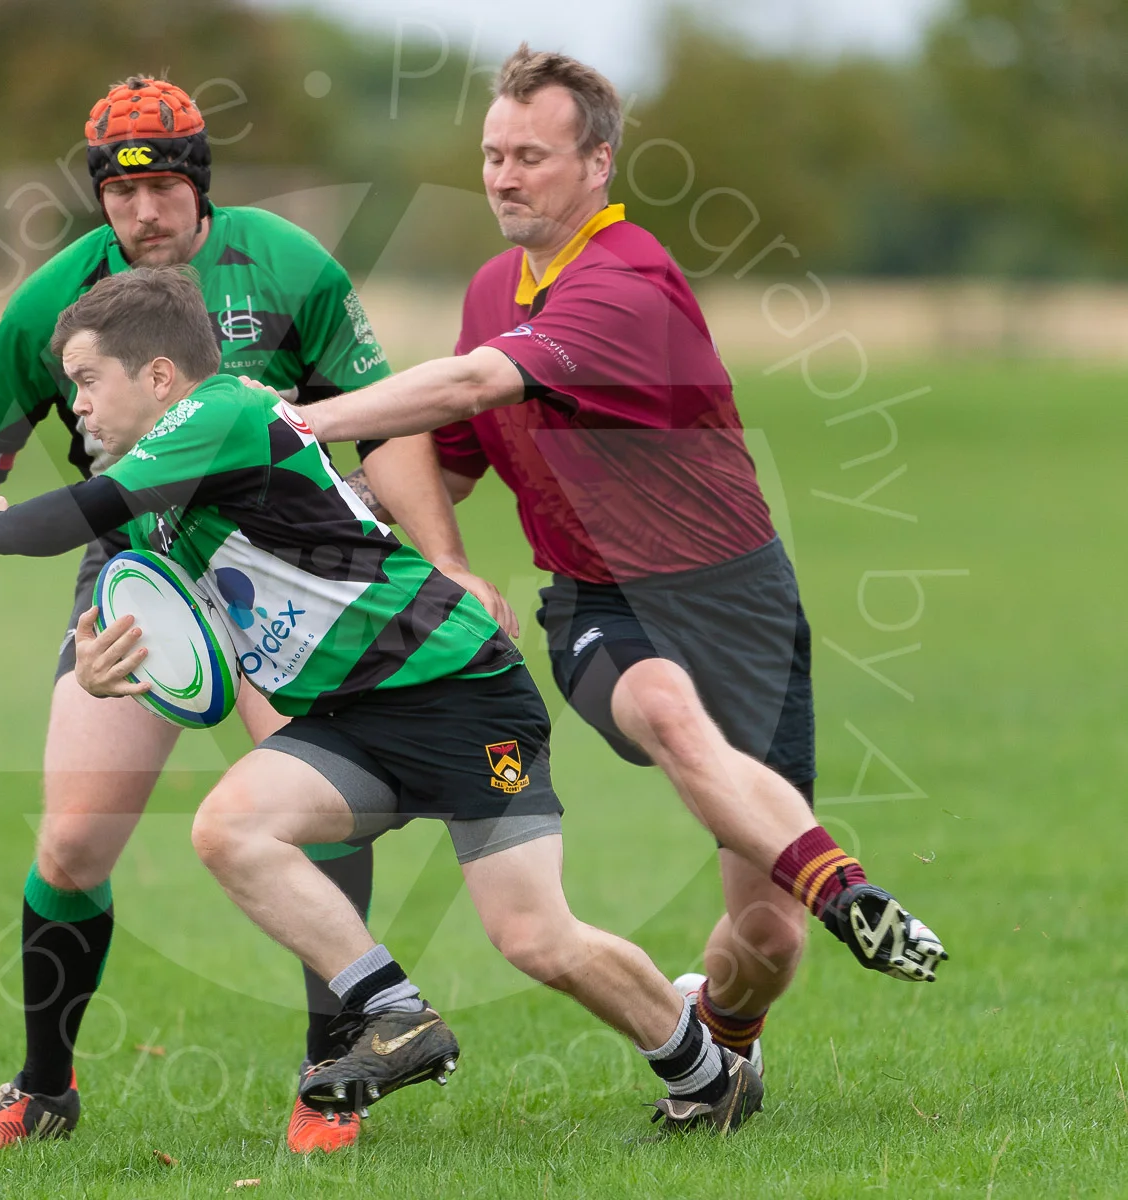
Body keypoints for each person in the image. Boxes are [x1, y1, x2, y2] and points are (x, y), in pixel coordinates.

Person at [0, 75, 509, 1154]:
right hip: (140, 579)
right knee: (72, 842)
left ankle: (330, 1078)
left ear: (202, 183)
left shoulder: (288, 266)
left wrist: (448, 564)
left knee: (315, 813)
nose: (144, 211)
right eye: (120, 192)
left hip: (290, 581)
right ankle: (42, 1090)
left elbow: (385, 432)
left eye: (163, 188)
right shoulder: (56, 303)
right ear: (99, 196)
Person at [0, 265, 767, 1136]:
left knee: (535, 936)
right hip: (355, 717)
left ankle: (707, 1074)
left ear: (157, 375)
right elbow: (185, 630)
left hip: (457, 691)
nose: (75, 405)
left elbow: (55, 521)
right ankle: (396, 1013)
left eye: (86, 379)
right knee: (229, 828)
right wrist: (109, 664)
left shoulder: (222, 413)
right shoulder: (161, 497)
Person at [300, 45, 949, 1077]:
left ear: (598, 163)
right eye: (493, 155)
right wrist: (380, 529)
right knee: (664, 708)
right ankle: (849, 892)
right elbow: (443, 458)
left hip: (737, 601)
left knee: (765, 943)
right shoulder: (492, 287)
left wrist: (302, 420)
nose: (504, 177)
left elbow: (469, 385)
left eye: (531, 157)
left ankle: (723, 1030)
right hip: (600, 600)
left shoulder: (626, 282)